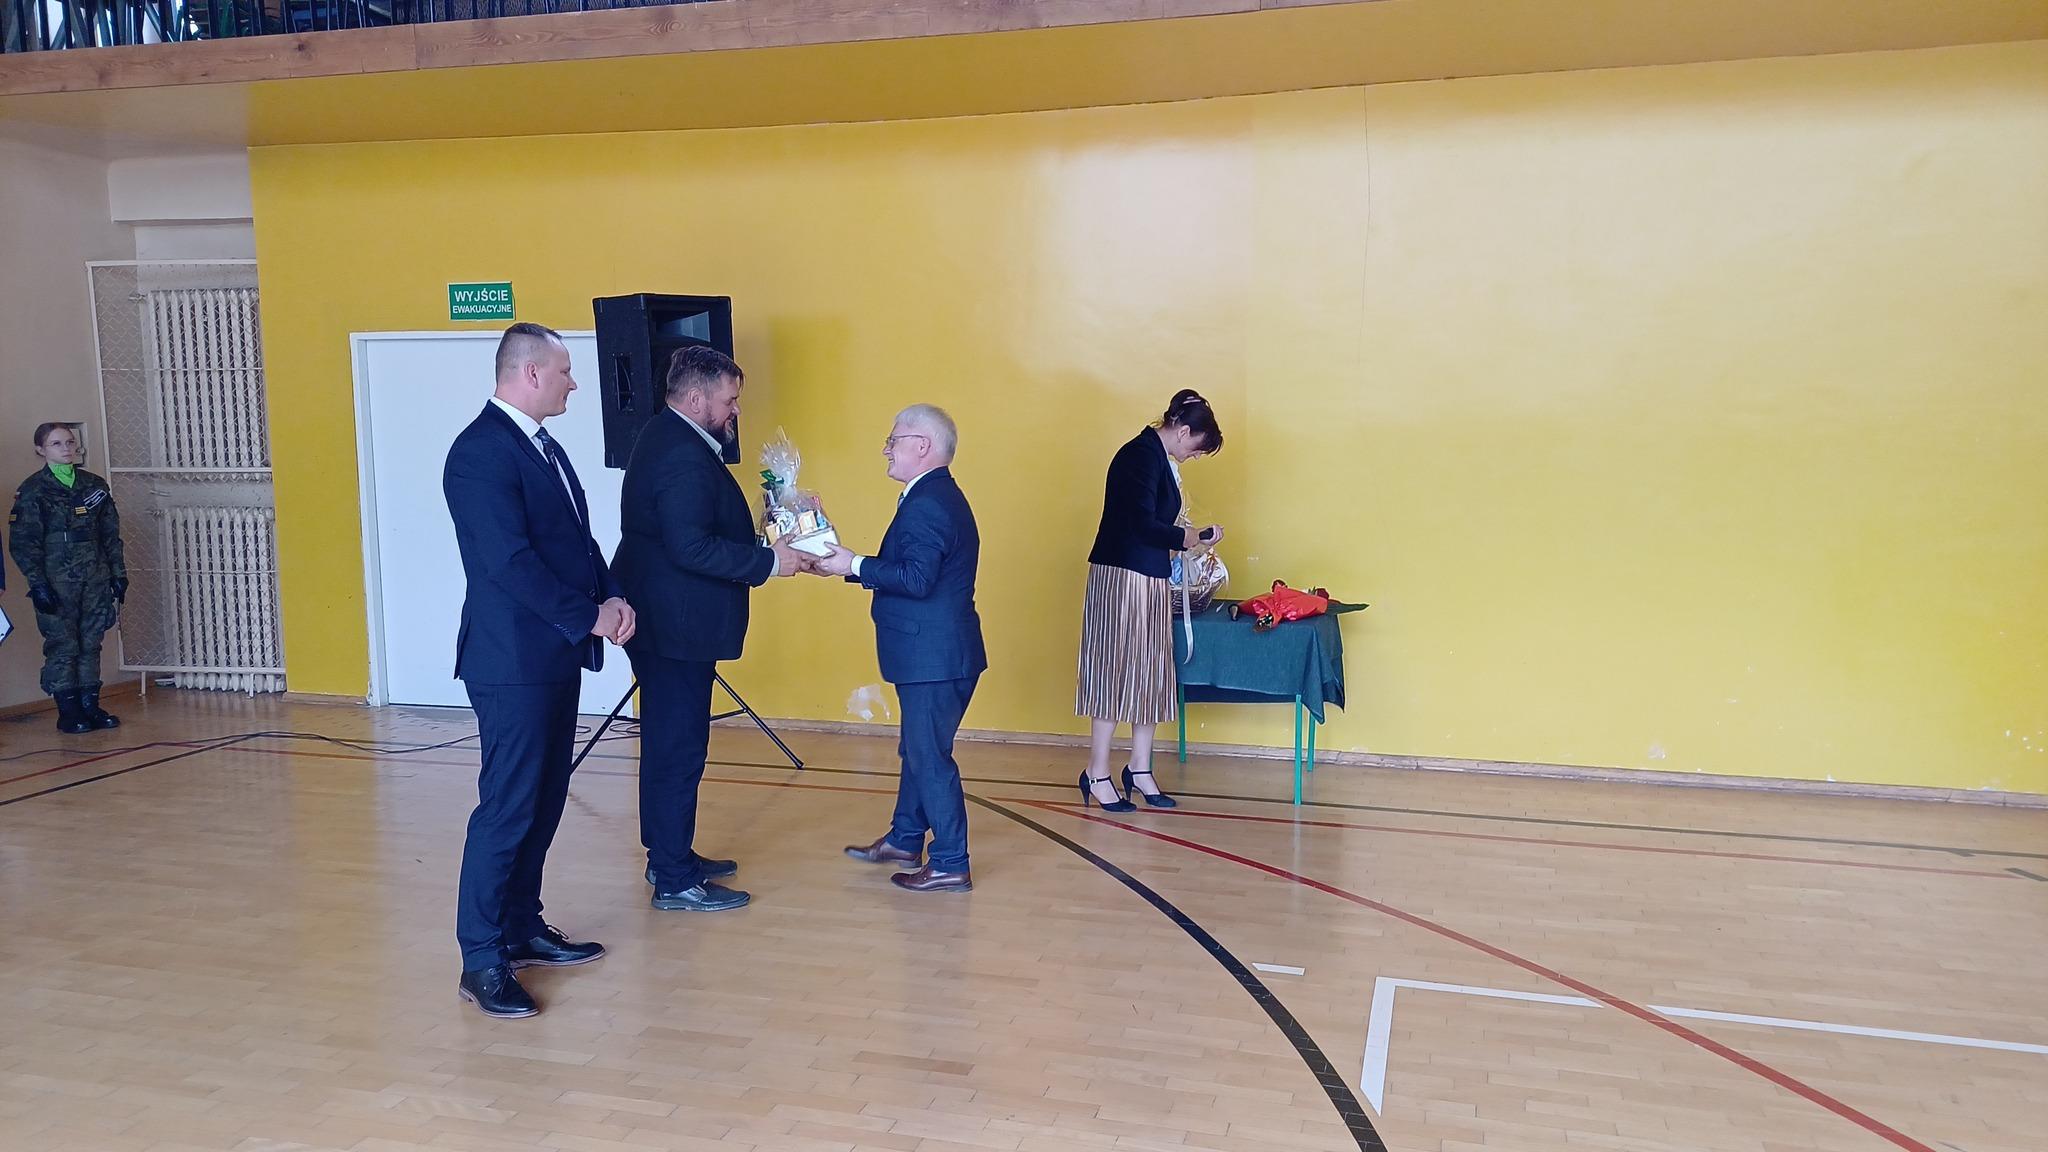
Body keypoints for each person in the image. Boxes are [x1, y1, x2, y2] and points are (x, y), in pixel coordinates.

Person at [443, 322, 634, 1019]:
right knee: (508, 806)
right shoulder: (479, 453)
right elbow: (509, 563)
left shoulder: (542, 446)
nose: (573, 383)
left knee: (545, 796)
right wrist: (588, 616)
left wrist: (611, 596)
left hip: (551, 654)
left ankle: (521, 926)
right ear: (529, 373)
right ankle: (482, 958)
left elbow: (576, 542)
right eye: (564, 371)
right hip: (511, 661)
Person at [613, 345, 809, 913]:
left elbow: (696, 527)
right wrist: (771, 561)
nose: (735, 410)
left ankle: (669, 855)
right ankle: (675, 879)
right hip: (675, 627)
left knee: (671, 744)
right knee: (677, 748)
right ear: (696, 398)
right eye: (730, 400)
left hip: (667, 621)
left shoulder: (669, 437)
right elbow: (691, 547)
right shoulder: (681, 453)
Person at [816, 405, 986, 893]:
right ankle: (905, 838)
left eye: (894, 440)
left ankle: (950, 862)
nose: (886, 449)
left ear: (923, 446)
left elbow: (916, 579)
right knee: (917, 750)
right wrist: (848, 564)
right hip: (937, 653)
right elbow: (911, 568)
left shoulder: (929, 503)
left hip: (933, 656)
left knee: (929, 757)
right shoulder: (932, 496)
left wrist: (855, 564)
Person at [1076, 389, 1225, 810]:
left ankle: (1139, 768)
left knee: (1151, 672)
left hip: (1150, 576)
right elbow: (1139, 523)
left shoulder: (1158, 458)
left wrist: (1191, 537)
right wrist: (1187, 537)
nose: (1194, 457)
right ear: (1183, 431)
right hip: (1121, 575)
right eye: (1196, 449)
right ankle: (1097, 772)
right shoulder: (1138, 456)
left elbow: (1156, 523)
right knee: (1113, 670)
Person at [8, 423, 128, 734]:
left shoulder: (94, 485)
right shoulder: (33, 489)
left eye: (70, 442)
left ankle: (90, 704)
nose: (66, 449)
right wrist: (37, 583)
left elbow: (110, 534)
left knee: (91, 642)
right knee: (63, 644)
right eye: (57, 443)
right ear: (40, 450)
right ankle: (69, 709)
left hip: (94, 577)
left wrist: (118, 573)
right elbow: (23, 543)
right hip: (57, 582)